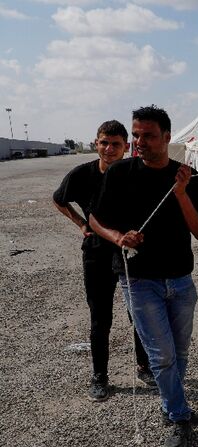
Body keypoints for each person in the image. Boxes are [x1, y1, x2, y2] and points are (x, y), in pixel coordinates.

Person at [89, 106, 198, 447]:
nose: (139, 142)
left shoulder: (187, 177)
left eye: (147, 135)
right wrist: (118, 238)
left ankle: (175, 406)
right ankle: (177, 416)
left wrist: (181, 195)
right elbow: (95, 219)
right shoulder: (119, 174)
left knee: (180, 350)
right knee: (160, 355)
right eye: (136, 135)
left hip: (180, 280)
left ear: (166, 138)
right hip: (140, 281)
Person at [52, 120, 154, 401]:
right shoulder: (82, 174)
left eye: (116, 144)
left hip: (128, 254)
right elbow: (59, 199)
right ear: (96, 144)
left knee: (140, 314)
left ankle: (144, 366)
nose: (109, 149)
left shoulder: (136, 174)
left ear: (126, 147)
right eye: (104, 143)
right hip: (96, 254)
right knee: (100, 318)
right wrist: (81, 224)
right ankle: (100, 376)